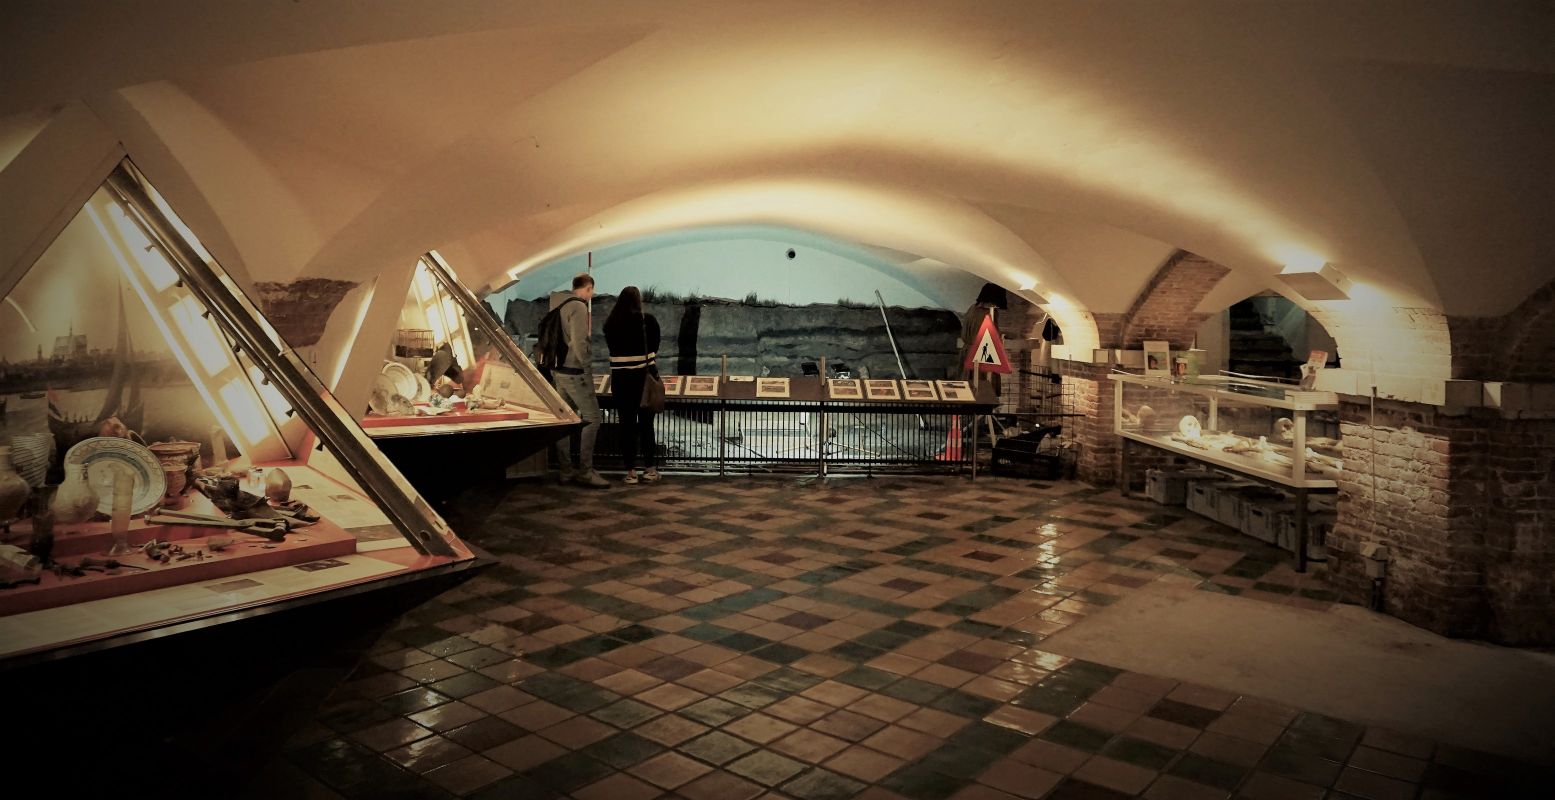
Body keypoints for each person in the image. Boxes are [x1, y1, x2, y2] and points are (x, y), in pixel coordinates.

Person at [549, 273, 610, 488]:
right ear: (588, 288)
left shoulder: (557, 303)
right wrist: (587, 368)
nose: (591, 296)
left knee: (565, 420)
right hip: (575, 371)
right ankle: (585, 470)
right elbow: (579, 340)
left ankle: (565, 470)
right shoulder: (579, 307)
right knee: (593, 418)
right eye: (591, 291)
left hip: (558, 370)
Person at [603, 286, 661, 485]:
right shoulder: (648, 321)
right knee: (646, 425)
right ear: (639, 301)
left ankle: (630, 472)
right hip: (644, 380)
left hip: (621, 380)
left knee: (626, 426)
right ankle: (650, 469)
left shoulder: (610, 324)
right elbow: (655, 347)